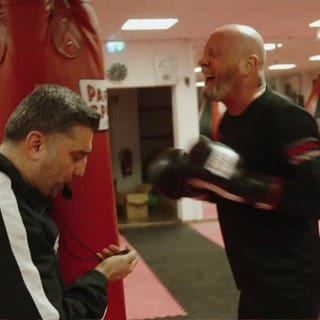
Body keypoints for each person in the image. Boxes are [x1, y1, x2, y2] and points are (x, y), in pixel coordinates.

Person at [148, 24, 320, 319]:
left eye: (213, 54)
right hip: (251, 281)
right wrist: (194, 185)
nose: (203, 62)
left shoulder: (288, 119)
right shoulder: (229, 123)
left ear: (248, 64)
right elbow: (232, 191)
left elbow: (314, 196)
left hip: (291, 285)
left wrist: (244, 182)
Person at [0, 84, 138, 319]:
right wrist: (101, 275)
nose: (80, 172)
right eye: (76, 156)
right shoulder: (8, 210)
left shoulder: (25, 194)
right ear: (36, 145)